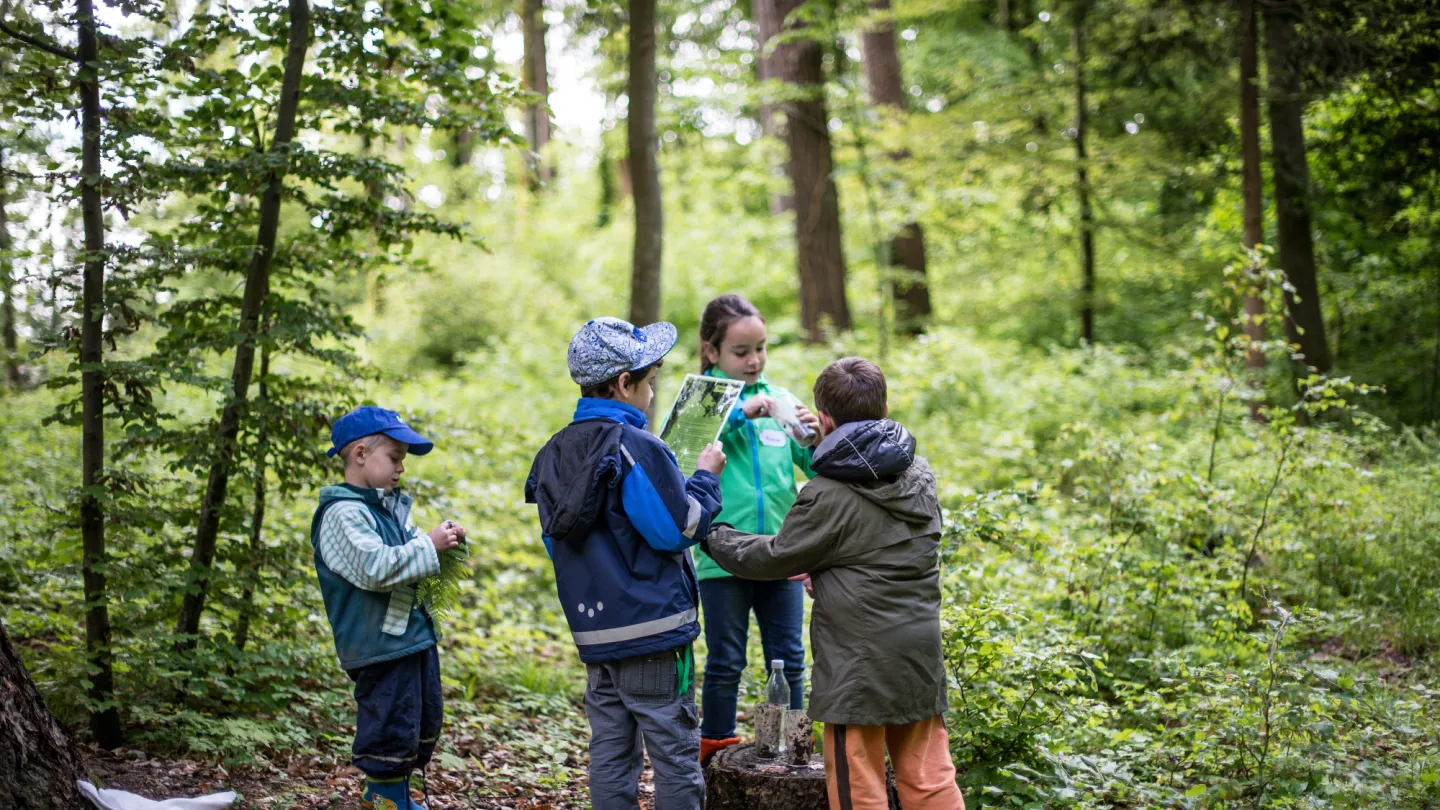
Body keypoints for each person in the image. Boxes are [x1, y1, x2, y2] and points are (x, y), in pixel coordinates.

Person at [702, 357, 967, 810]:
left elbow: (772, 557)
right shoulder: (919, 473)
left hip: (857, 667)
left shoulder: (827, 492)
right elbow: (881, 550)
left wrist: (710, 531)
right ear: (884, 408)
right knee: (930, 779)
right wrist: (828, 570)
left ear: (823, 419)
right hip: (919, 653)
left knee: (857, 788)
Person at [525, 316, 728, 810]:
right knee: (674, 755)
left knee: (611, 755)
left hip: (596, 638)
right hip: (654, 632)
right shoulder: (637, 447)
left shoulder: (552, 454)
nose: (653, 392)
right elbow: (677, 528)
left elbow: (557, 545)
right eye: (651, 381)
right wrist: (703, 478)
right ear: (623, 384)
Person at [310, 406, 467, 810]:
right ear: (361, 453)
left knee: (421, 718)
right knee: (390, 723)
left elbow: (415, 550)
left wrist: (446, 540)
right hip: (377, 645)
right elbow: (373, 567)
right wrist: (427, 545)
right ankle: (384, 796)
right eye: (394, 458)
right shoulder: (342, 513)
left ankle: (398, 794)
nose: (401, 468)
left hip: (408, 638)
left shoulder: (385, 508)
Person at [690, 294, 822, 762]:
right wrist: (738, 415)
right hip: (721, 553)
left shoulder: (781, 399)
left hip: (780, 551)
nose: (753, 360)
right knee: (725, 661)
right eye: (741, 352)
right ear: (712, 352)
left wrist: (817, 433)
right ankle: (714, 754)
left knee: (788, 658)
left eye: (760, 348)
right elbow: (684, 452)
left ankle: (790, 751)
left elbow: (813, 464)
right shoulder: (702, 401)